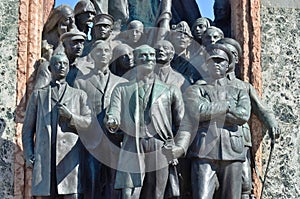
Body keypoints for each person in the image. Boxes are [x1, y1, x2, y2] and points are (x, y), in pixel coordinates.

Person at [167, 44, 251, 199]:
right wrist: (226, 106)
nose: (216, 64)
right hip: (204, 151)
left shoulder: (239, 91)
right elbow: (197, 111)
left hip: (233, 150)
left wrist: (211, 111)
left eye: (220, 61)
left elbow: (243, 115)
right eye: (212, 61)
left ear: (228, 65)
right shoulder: (195, 89)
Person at [105, 45, 184, 199]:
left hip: (159, 145)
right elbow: (113, 111)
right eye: (143, 55)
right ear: (135, 59)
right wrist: (112, 120)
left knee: (156, 193)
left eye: (151, 55)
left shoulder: (170, 90)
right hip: (132, 144)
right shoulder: (121, 89)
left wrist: (177, 147)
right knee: (129, 193)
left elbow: (182, 123)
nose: (148, 58)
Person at [22, 52, 92, 199]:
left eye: (65, 64)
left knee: (70, 195)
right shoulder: (38, 95)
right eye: (57, 64)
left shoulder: (79, 95)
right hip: (44, 158)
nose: (61, 67)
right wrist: (29, 155)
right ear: (50, 68)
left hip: (69, 158)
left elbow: (89, 124)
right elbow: (28, 129)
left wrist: (71, 117)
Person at [217, 38, 279, 199]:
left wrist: (271, 122)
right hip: (214, 140)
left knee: (244, 182)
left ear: (236, 59)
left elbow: (261, 108)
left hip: (240, 141)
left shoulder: (243, 86)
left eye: (231, 53)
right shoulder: (207, 84)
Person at [74, 40, 127, 199]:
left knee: (114, 184)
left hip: (115, 140)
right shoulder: (80, 82)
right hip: (91, 140)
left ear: (111, 55)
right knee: (91, 181)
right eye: (99, 51)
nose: (103, 54)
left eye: (106, 51)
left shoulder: (122, 82)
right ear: (92, 55)